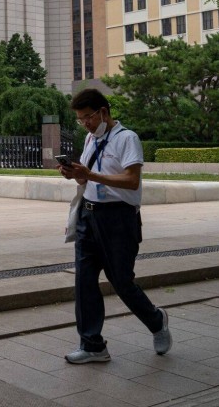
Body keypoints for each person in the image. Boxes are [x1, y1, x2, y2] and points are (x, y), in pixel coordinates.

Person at [58, 88, 172, 364]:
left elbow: (132, 180)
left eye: (88, 117)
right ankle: (92, 345)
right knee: (84, 281)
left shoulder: (127, 139)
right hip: (89, 216)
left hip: (118, 219)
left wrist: (91, 174)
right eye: (80, 119)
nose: (85, 123)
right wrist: (75, 175)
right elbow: (88, 180)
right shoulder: (89, 139)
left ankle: (156, 321)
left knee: (121, 281)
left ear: (103, 112)